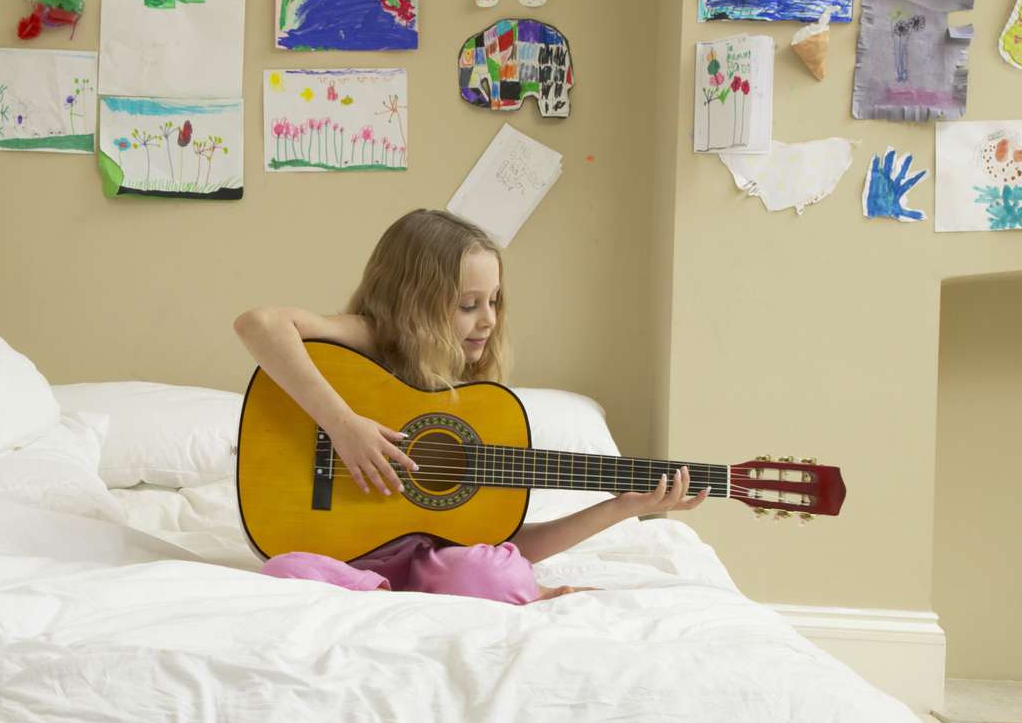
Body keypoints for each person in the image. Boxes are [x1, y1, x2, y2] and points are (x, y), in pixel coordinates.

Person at [233, 209, 707, 605]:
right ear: (412, 302)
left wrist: (623, 507)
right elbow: (259, 323)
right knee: (287, 570)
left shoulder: (479, 403)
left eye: (495, 301)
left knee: (493, 572)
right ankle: (387, 589)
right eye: (467, 304)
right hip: (336, 551)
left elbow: (509, 542)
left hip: (432, 564)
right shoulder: (376, 336)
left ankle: (389, 593)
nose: (488, 320)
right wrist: (343, 425)